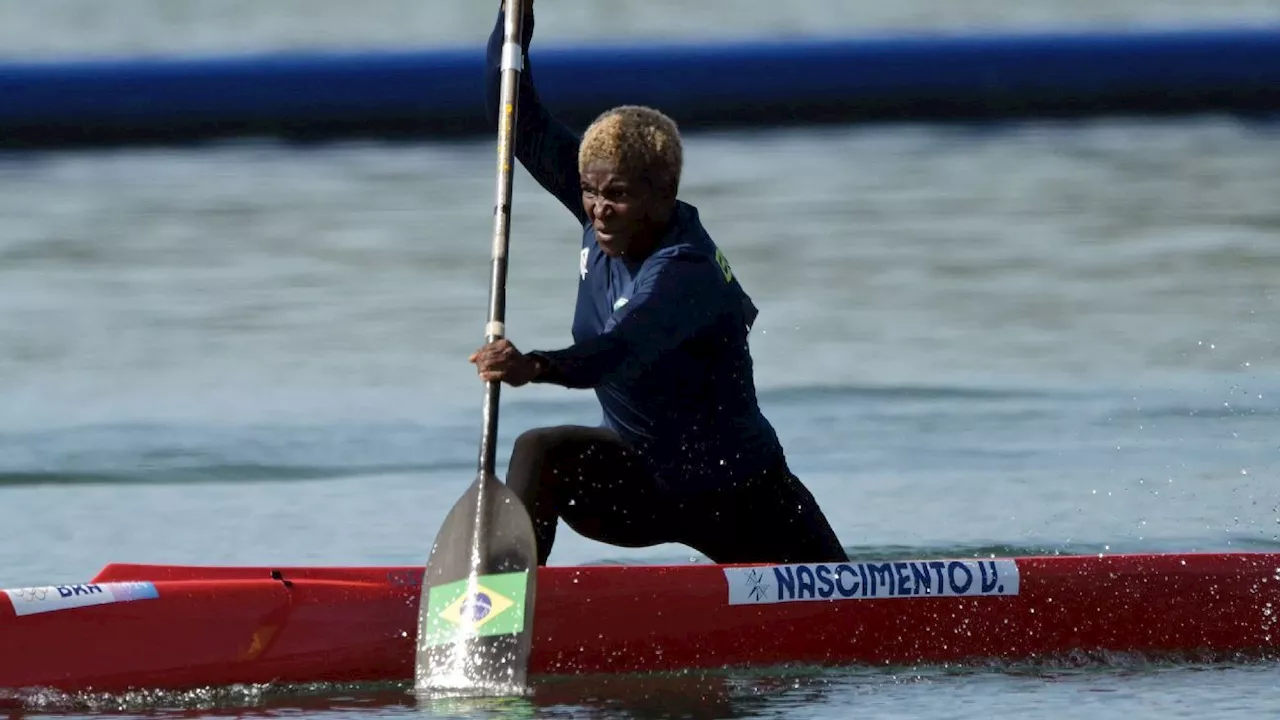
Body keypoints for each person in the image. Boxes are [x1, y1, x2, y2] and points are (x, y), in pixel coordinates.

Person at [469, 1, 848, 566]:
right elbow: (517, 120)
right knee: (540, 451)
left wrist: (534, 367)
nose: (598, 209)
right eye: (590, 192)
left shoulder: (684, 269)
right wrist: (513, 26)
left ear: (663, 194)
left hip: (739, 496)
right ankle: (503, 603)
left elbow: (619, 351)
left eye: (617, 195)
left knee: (848, 620)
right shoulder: (599, 205)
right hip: (640, 484)